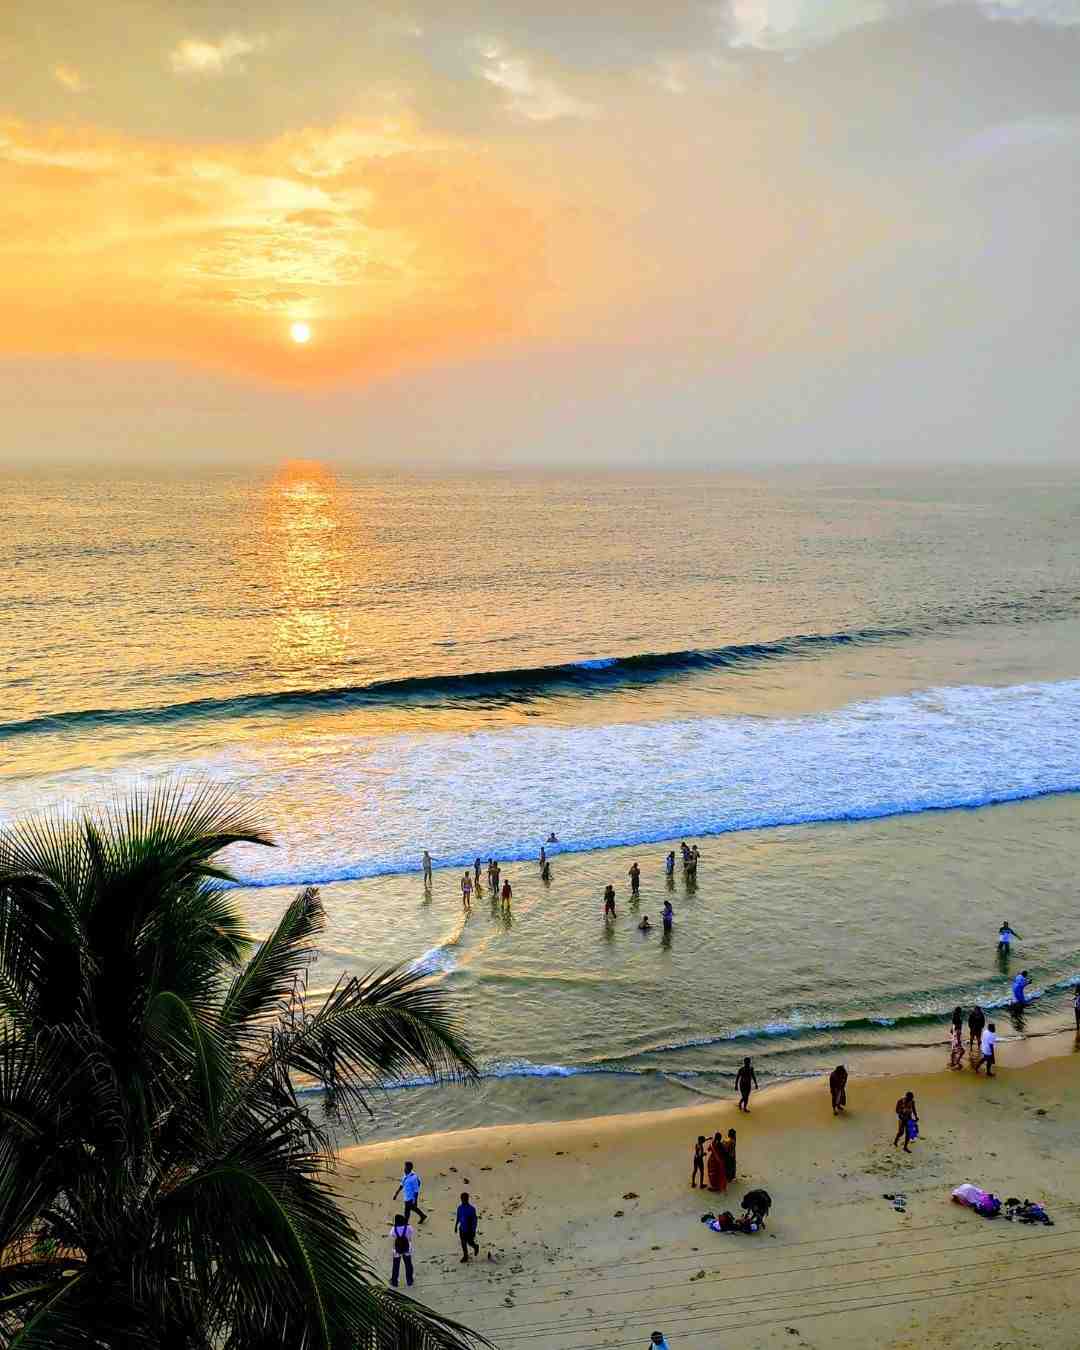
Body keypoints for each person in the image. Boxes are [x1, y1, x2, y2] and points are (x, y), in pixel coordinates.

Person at [389, 1213, 415, 1288]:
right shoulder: (408, 1227)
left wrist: (393, 1249)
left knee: (396, 1265)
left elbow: (394, 1238)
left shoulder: (394, 1229)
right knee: (408, 1264)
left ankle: (394, 1282)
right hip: (407, 1247)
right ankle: (409, 1281)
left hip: (397, 1249)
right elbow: (410, 1237)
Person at [454, 1191, 480, 1263]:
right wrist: (456, 1225)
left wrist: (473, 1230)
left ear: (467, 1199)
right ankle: (465, 1256)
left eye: (465, 1198)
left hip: (469, 1230)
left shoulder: (471, 1209)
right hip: (462, 1229)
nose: (463, 1200)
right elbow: (458, 1217)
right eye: (462, 1198)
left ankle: (475, 1247)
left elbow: (474, 1221)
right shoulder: (460, 1208)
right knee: (463, 1243)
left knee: (470, 1242)